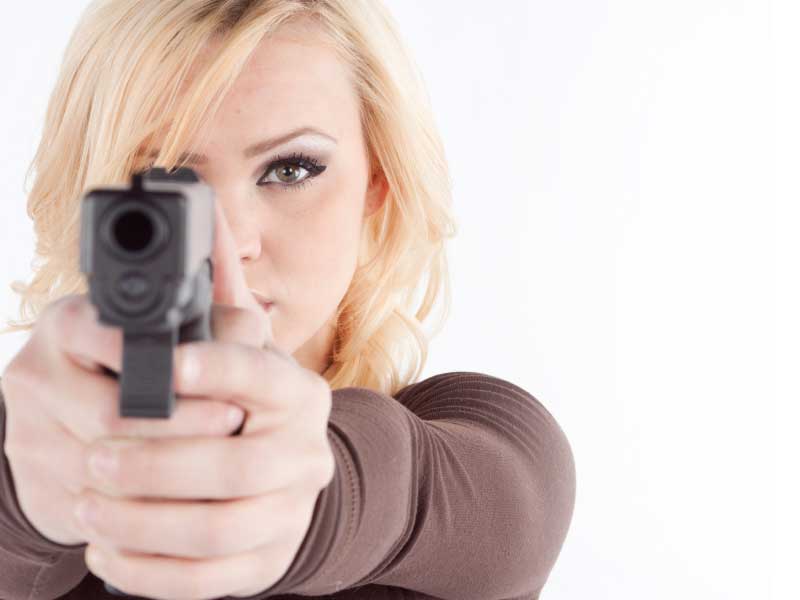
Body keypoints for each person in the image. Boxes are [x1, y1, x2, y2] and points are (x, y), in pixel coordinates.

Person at [0, 1, 577, 599]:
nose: (233, 242)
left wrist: (316, 498)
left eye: (291, 170)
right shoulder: (34, 449)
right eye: (167, 183)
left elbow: (455, 497)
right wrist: (23, 489)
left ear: (378, 181)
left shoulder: (486, 457)